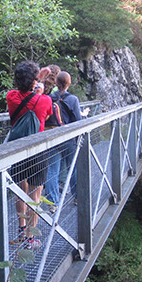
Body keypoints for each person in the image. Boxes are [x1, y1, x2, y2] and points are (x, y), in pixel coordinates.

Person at [6, 61, 53, 249]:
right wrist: (38, 86)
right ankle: (30, 237)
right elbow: (47, 116)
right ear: (35, 82)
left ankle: (21, 228)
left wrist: (34, 81)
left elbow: (22, 94)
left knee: (20, 192)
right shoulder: (46, 101)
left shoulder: (11, 97)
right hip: (38, 151)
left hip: (18, 150)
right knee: (35, 194)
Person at [44, 71, 90, 210]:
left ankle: (52, 203)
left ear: (56, 83)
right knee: (73, 167)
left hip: (52, 137)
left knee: (52, 170)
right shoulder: (73, 99)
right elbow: (77, 121)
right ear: (69, 83)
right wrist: (84, 115)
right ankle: (77, 197)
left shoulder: (49, 98)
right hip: (68, 139)